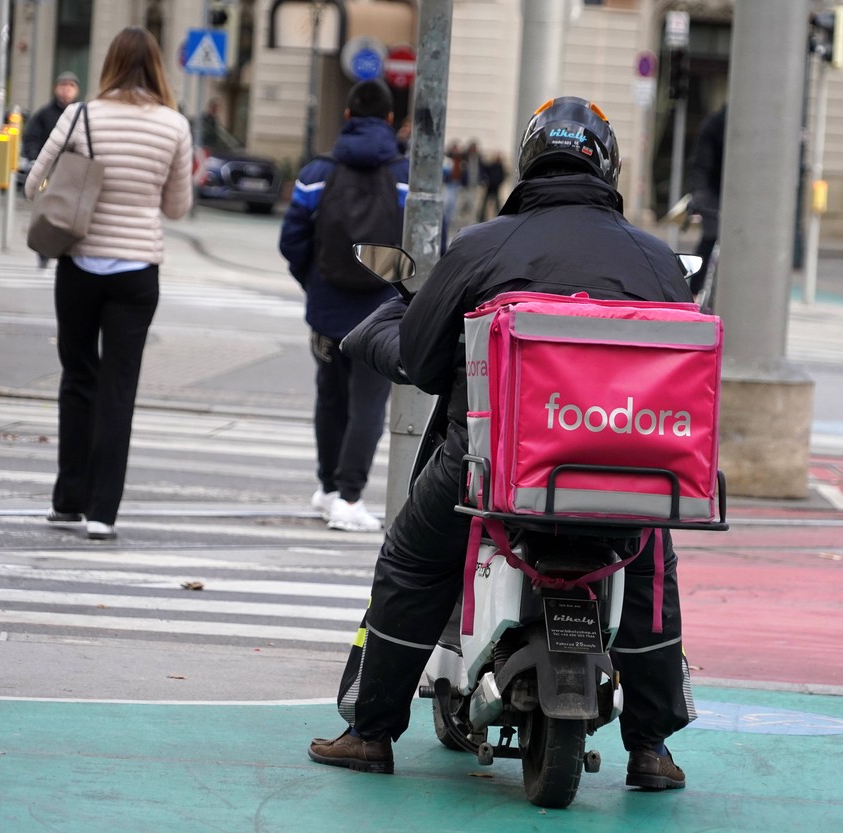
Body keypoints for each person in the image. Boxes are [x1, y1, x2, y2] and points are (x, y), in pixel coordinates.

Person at [308, 96, 696, 791]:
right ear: (607, 165)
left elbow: (423, 361)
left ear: (527, 160)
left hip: (490, 468)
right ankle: (651, 749)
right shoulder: (659, 262)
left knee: (412, 561)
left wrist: (372, 334)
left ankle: (370, 733)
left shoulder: (484, 246)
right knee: (650, 568)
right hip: (627, 471)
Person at [24, 27, 193, 541]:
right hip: (138, 271)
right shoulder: (174, 126)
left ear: (110, 64)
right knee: (120, 389)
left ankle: (67, 501)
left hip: (79, 264)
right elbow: (177, 208)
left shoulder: (79, 115)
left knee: (78, 378)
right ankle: (103, 513)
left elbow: (34, 185)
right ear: (158, 68)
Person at [278, 80, 408, 532]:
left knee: (329, 398)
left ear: (347, 116)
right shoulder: (407, 176)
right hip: (382, 313)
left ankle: (328, 489)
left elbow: (291, 239)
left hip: (327, 309)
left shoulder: (317, 172)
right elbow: (431, 246)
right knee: (368, 407)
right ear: (390, 119)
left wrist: (313, 282)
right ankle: (350, 499)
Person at [23, 71, 82, 268]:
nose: (66, 90)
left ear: (76, 90)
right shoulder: (44, 114)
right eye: (63, 85)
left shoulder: (81, 116)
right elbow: (32, 138)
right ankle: (43, 250)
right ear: (56, 88)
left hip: (72, 173)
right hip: (50, 172)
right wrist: (34, 159)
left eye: (70, 86)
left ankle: (65, 250)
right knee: (46, 212)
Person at [685, 105, 726, 296]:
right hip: (713, 190)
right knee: (710, 239)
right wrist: (699, 194)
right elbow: (701, 163)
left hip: (741, 194)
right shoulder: (717, 122)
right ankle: (694, 293)